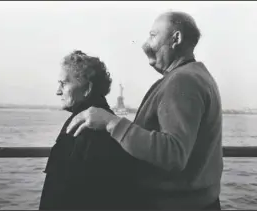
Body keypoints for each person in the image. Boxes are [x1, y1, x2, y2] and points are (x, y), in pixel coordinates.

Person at [67, 11, 223, 210]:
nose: (144, 45)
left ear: (176, 38)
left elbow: (173, 154)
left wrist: (110, 122)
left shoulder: (182, 81)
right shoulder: (198, 76)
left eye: (153, 35)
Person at [39, 50, 140, 210]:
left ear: (87, 88)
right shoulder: (96, 120)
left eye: (63, 83)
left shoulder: (87, 127)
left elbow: (70, 193)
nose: (58, 91)